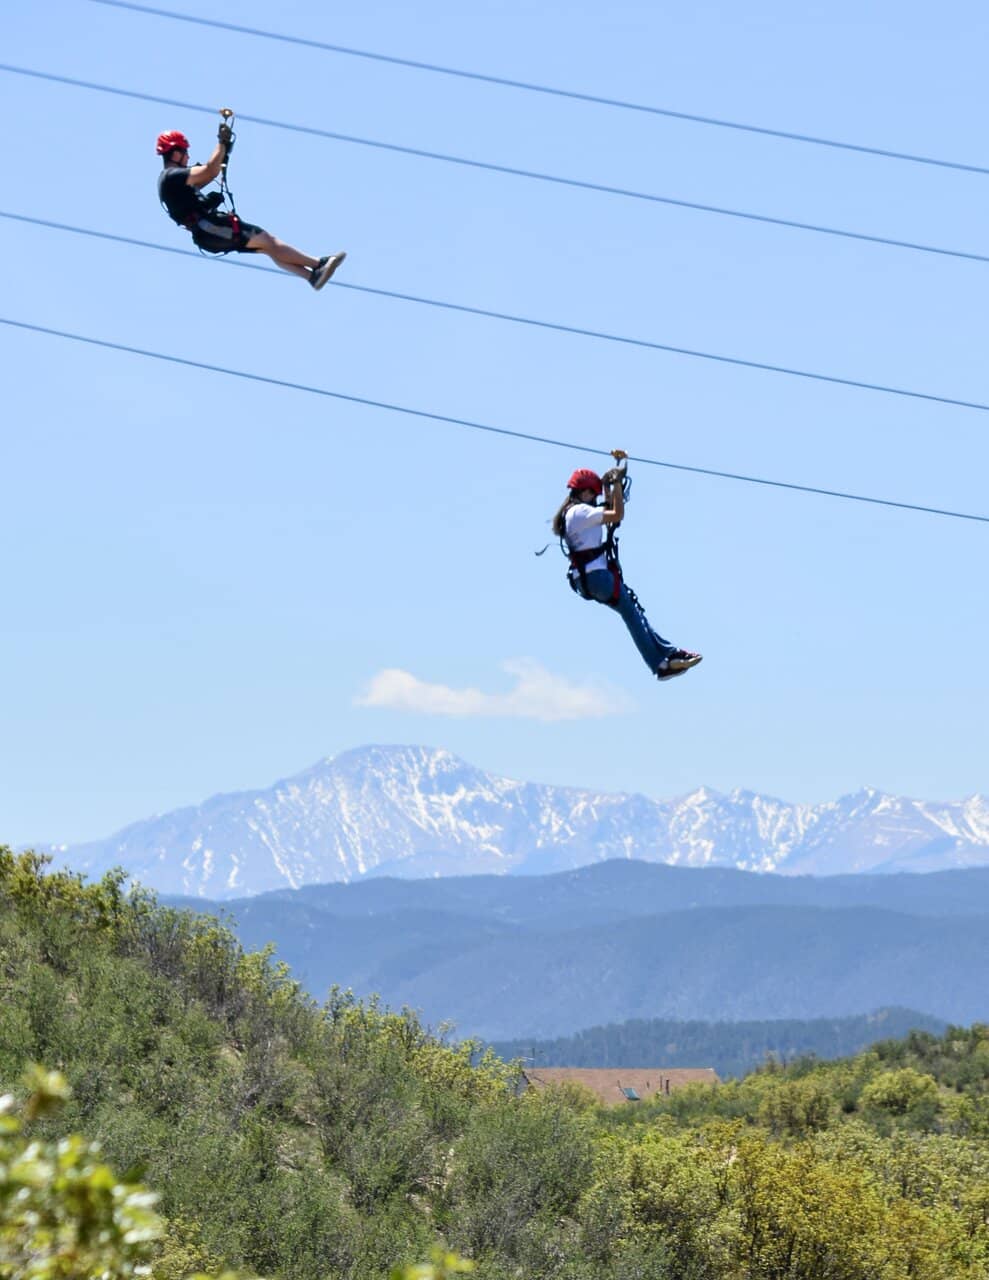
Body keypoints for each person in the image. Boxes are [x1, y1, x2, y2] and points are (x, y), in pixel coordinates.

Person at [552, 465, 702, 681]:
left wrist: (610, 486)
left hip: (587, 579)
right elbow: (617, 513)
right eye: (594, 496)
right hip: (596, 577)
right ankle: (661, 663)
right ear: (585, 493)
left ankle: (666, 656)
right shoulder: (580, 512)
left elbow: (611, 512)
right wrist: (615, 486)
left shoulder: (574, 513)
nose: (595, 501)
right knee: (632, 613)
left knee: (632, 613)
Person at [156, 126, 346, 290]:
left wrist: (225, 151)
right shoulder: (172, 176)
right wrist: (221, 142)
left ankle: (311, 276)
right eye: (185, 151)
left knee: (267, 247)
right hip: (210, 228)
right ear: (175, 153)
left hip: (208, 233)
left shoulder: (172, 182)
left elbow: (208, 176)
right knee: (267, 240)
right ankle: (318, 265)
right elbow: (210, 170)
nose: (188, 156)